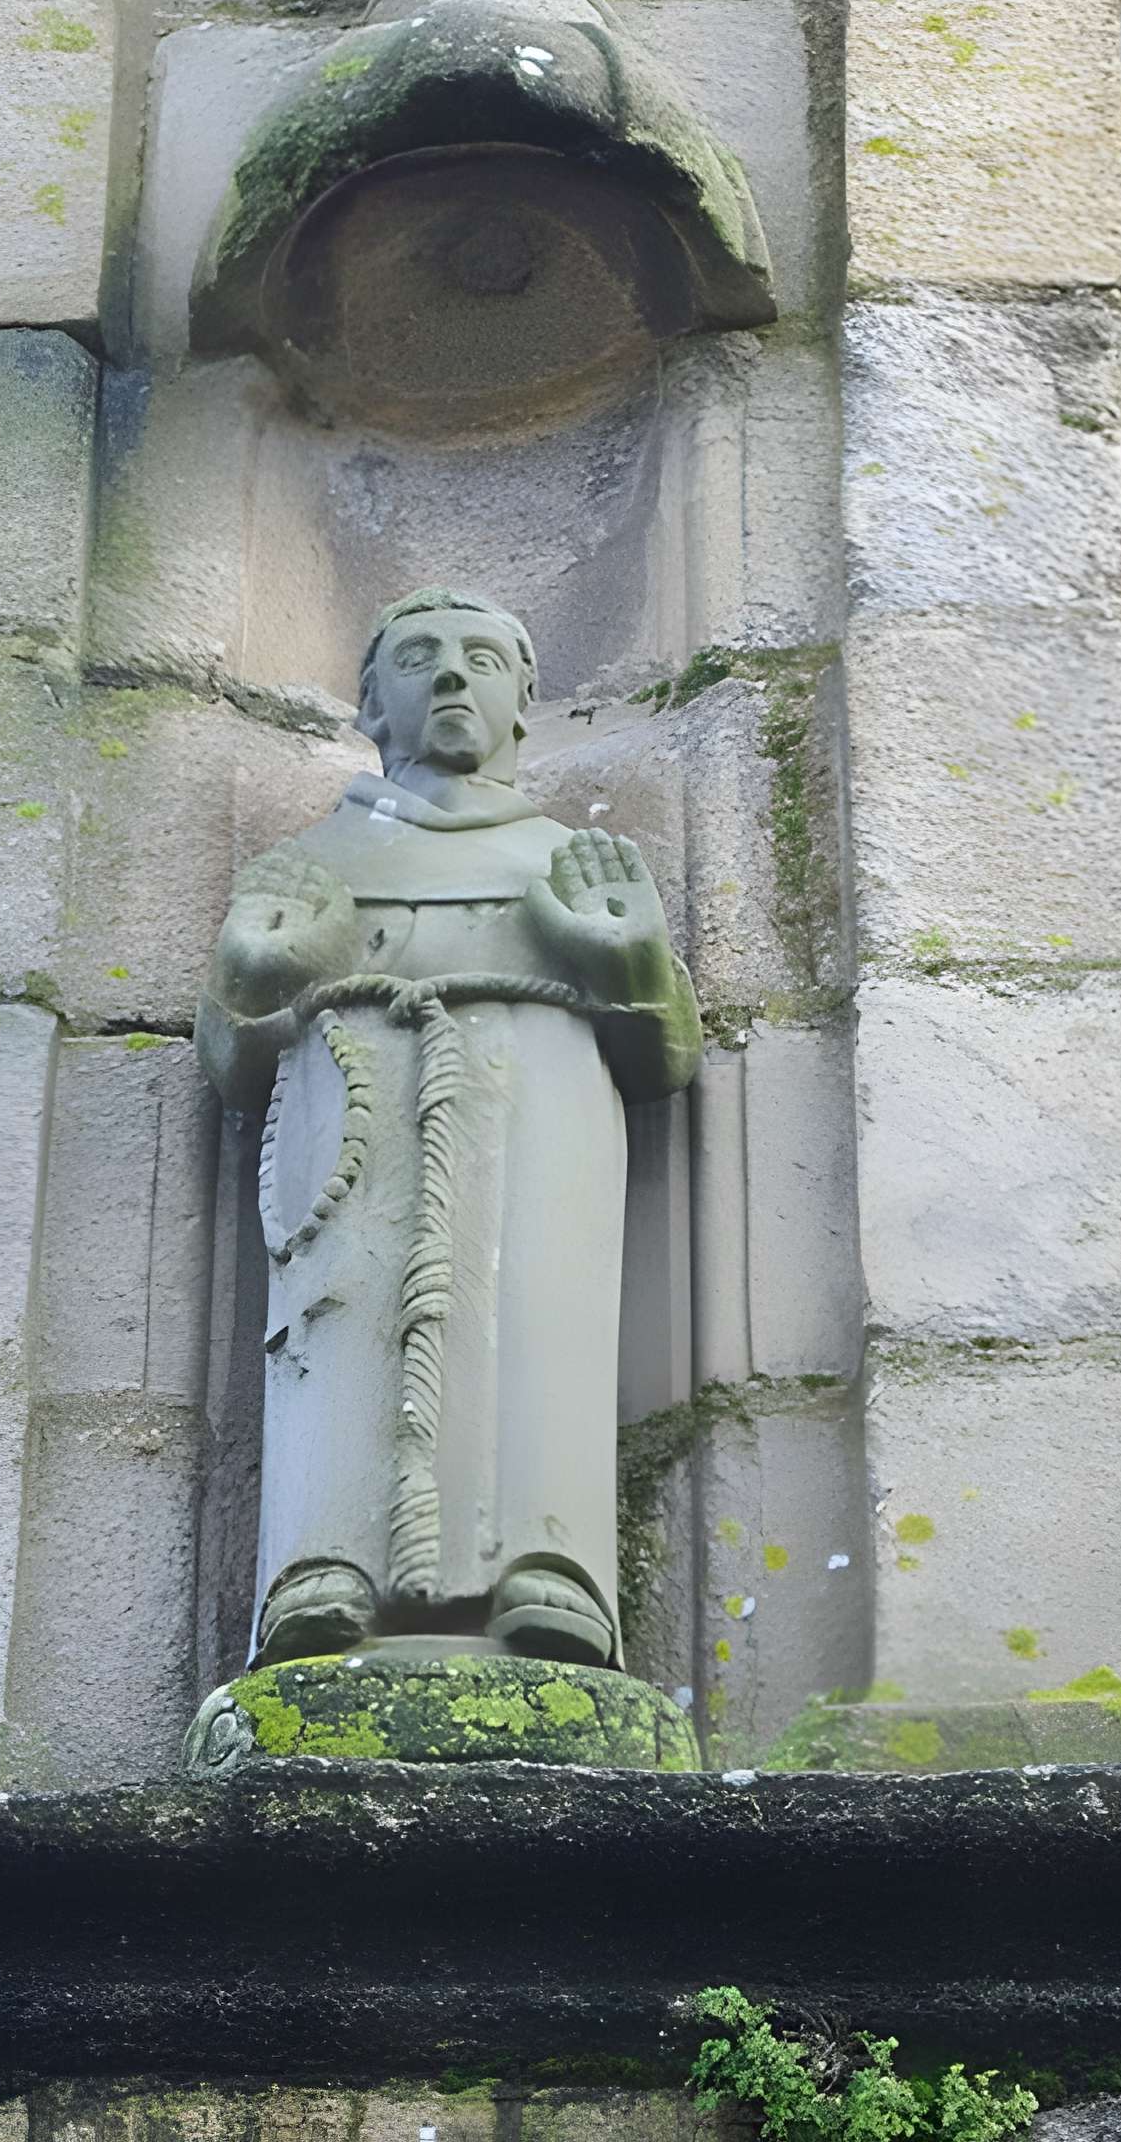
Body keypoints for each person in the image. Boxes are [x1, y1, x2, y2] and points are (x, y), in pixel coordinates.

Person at [197, 587, 701, 1669]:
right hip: (355, 1111)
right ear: (372, 706)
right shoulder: (314, 862)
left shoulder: (568, 860)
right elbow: (235, 1066)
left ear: (526, 702)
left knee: (535, 1317)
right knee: (342, 1319)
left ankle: (549, 1565)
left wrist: (631, 963)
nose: (453, 676)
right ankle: (319, 1565)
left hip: (543, 1115)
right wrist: (254, 975)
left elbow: (666, 1056)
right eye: (419, 658)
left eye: (484, 659)